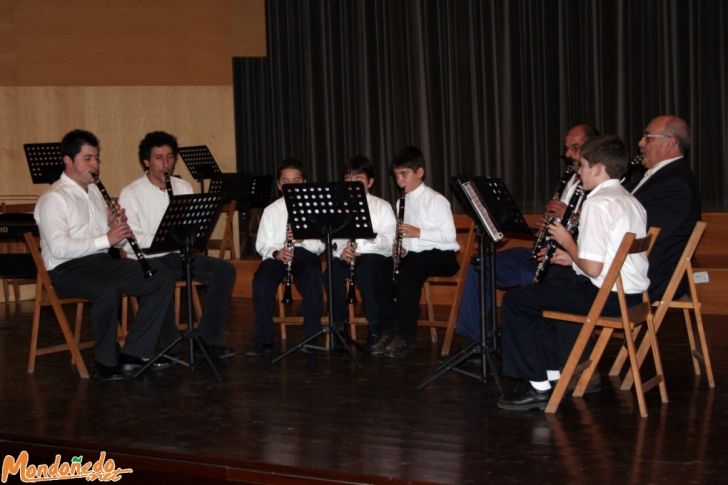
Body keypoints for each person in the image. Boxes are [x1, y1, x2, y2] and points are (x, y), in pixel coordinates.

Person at [496, 135, 649, 411]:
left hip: (607, 296)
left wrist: (567, 241)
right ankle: (553, 375)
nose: (579, 173)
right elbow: (606, 257)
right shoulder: (629, 199)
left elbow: (593, 268)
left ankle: (537, 386)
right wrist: (571, 259)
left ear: (599, 169)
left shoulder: (597, 203)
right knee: (542, 297)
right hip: (632, 296)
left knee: (516, 302)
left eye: (583, 166)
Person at [34, 129, 175, 380]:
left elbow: (104, 239)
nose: (95, 164)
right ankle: (105, 361)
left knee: (160, 276)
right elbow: (59, 247)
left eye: (97, 158)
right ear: (68, 160)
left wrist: (113, 227)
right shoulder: (53, 199)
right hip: (66, 270)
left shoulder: (96, 192)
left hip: (99, 262)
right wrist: (106, 238)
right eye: (88, 158)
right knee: (107, 289)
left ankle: (134, 352)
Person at [456, 123, 600, 341]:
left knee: (528, 277)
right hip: (542, 250)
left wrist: (571, 217)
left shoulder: (598, 184)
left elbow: (596, 232)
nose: (568, 154)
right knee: (480, 265)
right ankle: (477, 339)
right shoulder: (570, 179)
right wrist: (547, 223)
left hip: (566, 259)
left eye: (575, 147)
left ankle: (528, 341)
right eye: (567, 148)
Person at [119, 131, 236, 359]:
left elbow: (193, 228)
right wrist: (164, 237)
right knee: (160, 278)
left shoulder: (183, 187)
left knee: (225, 270)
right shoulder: (131, 193)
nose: (166, 164)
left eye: (170, 157)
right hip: (148, 259)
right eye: (158, 158)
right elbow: (130, 240)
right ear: (146, 161)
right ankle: (168, 346)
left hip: (178, 256)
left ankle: (208, 341)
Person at [371, 146, 460, 359]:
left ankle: (406, 337)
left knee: (408, 275)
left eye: (404, 174)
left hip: (442, 256)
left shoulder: (436, 199)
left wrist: (418, 232)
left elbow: (449, 235)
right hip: (417, 255)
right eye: (396, 175)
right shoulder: (401, 202)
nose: (400, 180)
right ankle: (388, 330)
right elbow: (409, 243)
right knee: (380, 269)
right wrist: (399, 248)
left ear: (419, 173)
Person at [245, 159, 325, 356]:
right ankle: (264, 341)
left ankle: (312, 338)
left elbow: (321, 245)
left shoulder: (314, 207)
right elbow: (262, 244)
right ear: (280, 185)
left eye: (296, 181)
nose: (291, 185)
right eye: (286, 181)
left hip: (305, 253)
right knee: (261, 282)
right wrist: (276, 253)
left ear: (304, 183)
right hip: (278, 256)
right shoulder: (272, 210)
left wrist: (303, 239)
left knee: (313, 277)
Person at [327, 156, 396, 347]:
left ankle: (375, 329)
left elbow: (390, 243)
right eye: (348, 180)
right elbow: (334, 240)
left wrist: (368, 237)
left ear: (370, 182)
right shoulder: (339, 207)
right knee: (330, 273)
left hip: (376, 257)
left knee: (367, 273)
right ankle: (340, 328)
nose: (352, 185)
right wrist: (342, 252)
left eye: (358, 179)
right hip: (350, 258)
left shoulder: (382, 207)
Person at [631, 115, 701, 300]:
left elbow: (645, 234)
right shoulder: (663, 176)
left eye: (648, 137)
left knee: (558, 285)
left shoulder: (676, 182)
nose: (640, 143)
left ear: (670, 143)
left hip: (648, 277)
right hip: (639, 267)